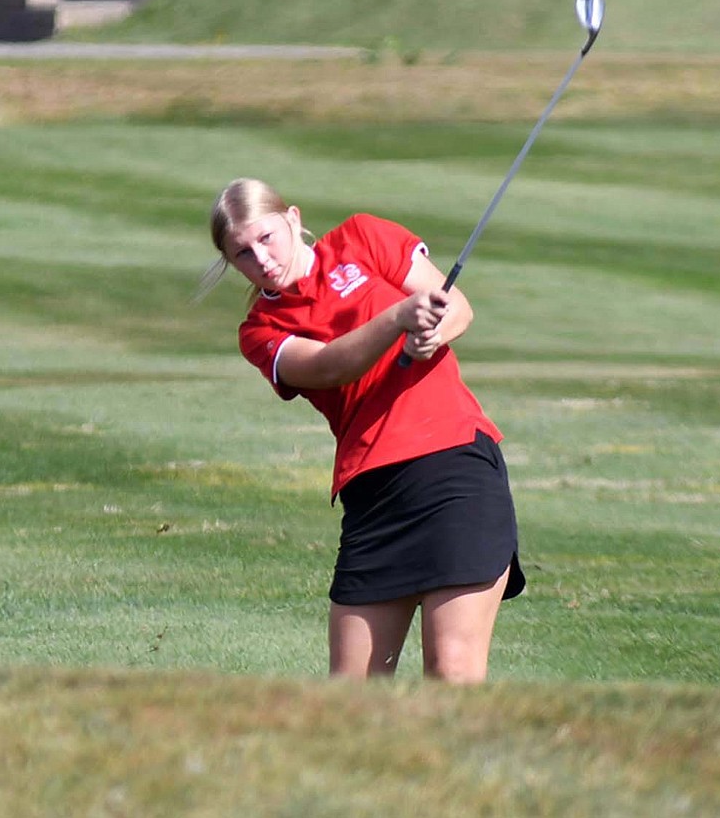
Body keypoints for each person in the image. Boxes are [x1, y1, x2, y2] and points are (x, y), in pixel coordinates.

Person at [206, 178, 525, 684]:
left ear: (292, 218)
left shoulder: (363, 238)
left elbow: (457, 307)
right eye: (242, 253)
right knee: (352, 693)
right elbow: (331, 367)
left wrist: (431, 334)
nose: (261, 259)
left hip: (454, 469)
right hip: (374, 495)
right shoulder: (261, 330)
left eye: (266, 238)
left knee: (452, 673)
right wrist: (399, 317)